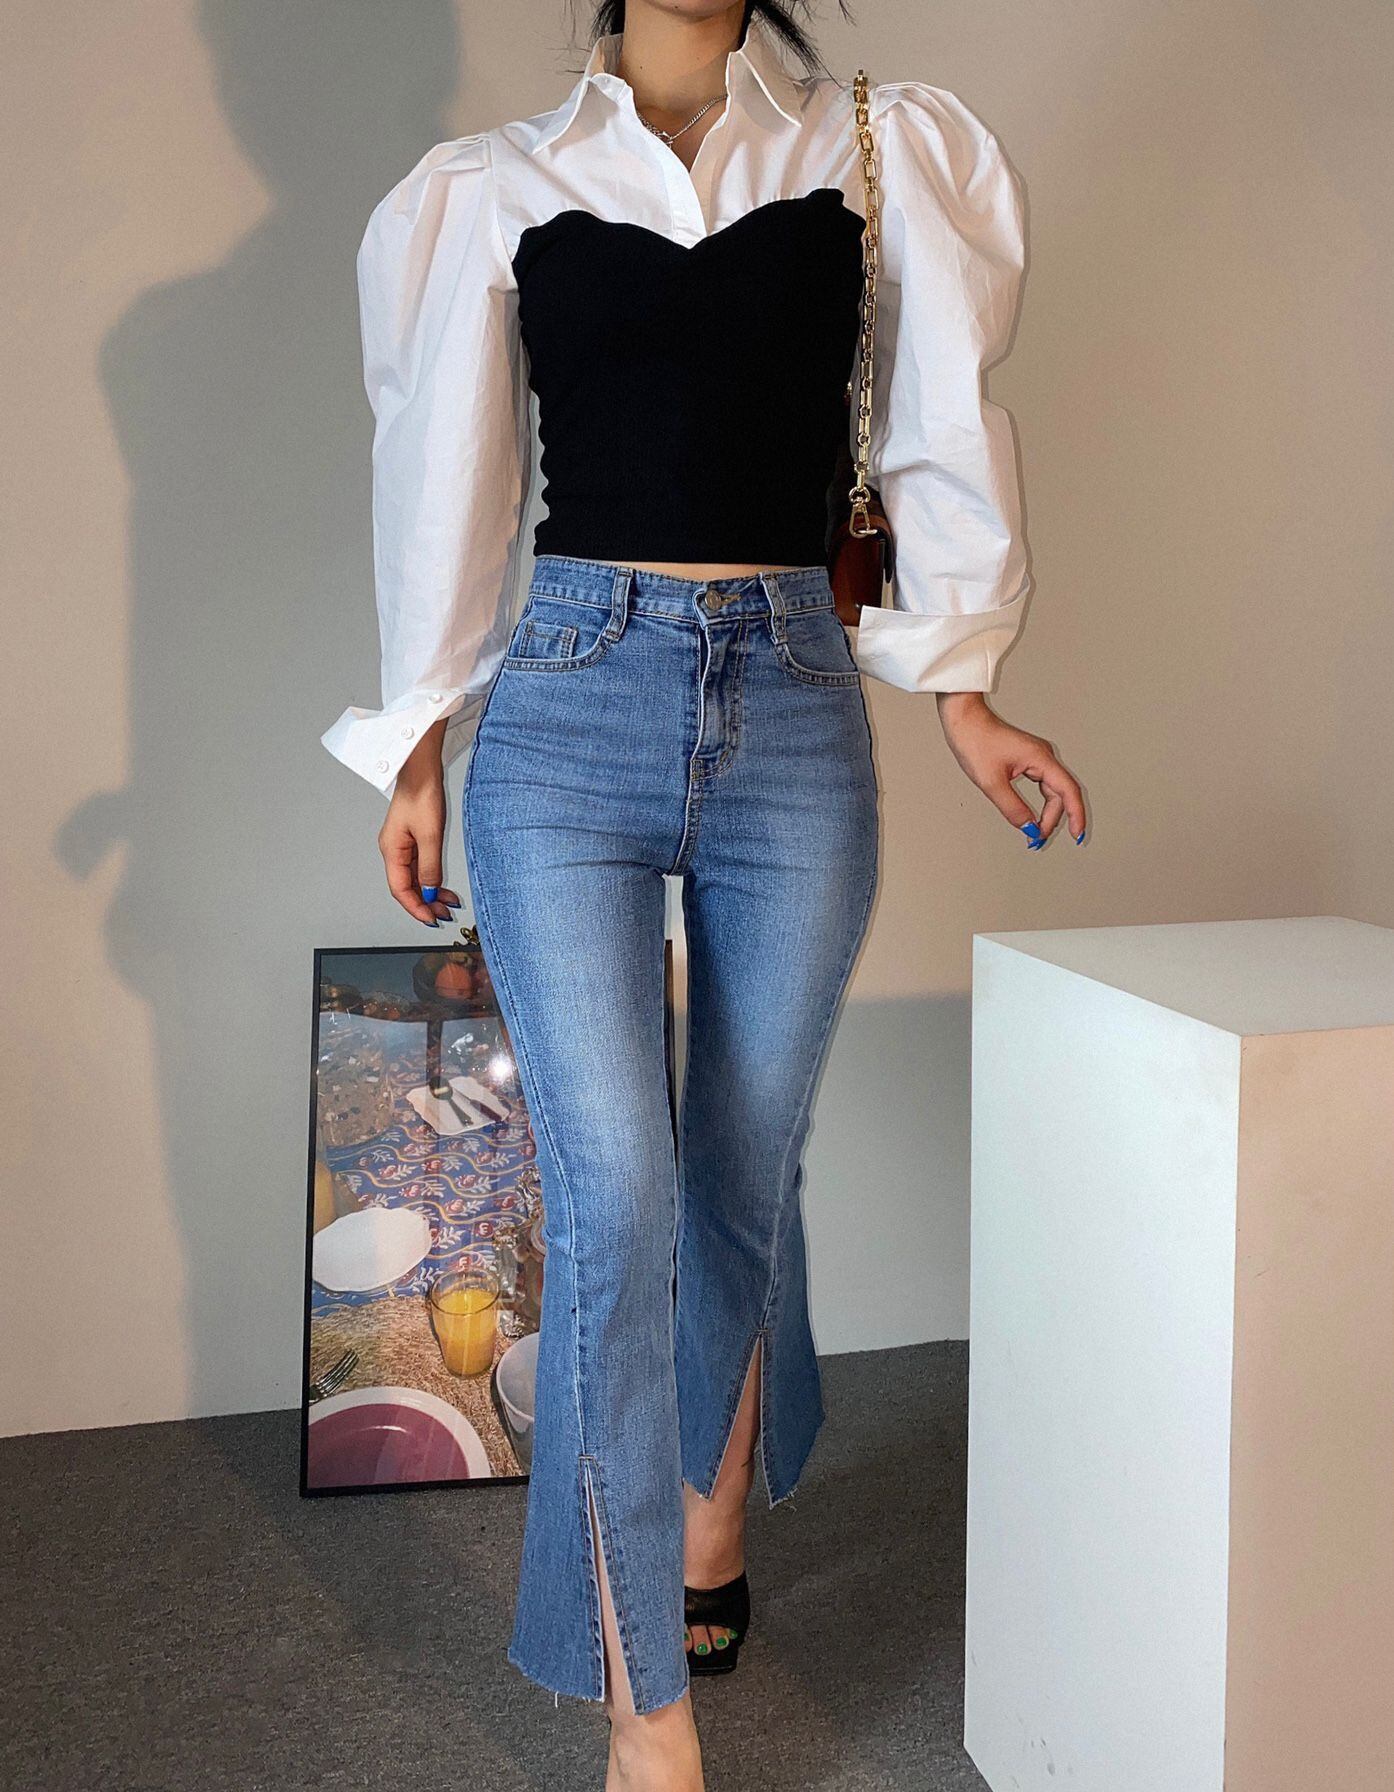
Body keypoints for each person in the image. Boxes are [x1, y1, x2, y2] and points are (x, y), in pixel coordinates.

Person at [321, 3, 1085, 1785]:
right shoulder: (492, 185)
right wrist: (418, 735)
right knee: (617, 1197)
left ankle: (713, 1510)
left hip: (795, 703)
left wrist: (962, 692)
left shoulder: (876, 150)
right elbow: (443, 470)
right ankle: (640, 1706)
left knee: (745, 1169)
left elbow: (938, 420)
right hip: (569, 708)